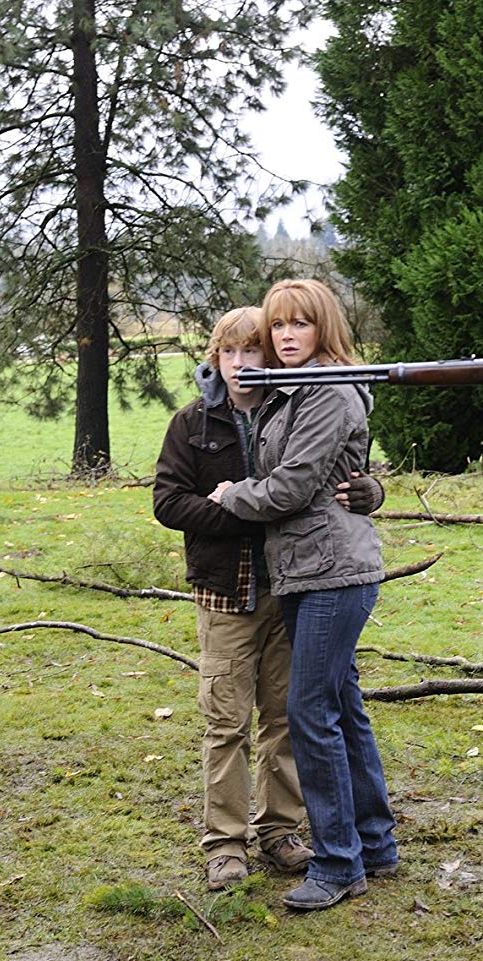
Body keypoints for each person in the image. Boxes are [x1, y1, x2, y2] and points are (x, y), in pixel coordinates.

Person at [154, 306, 385, 891]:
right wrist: (239, 510)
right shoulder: (194, 423)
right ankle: (225, 843)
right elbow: (168, 502)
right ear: (215, 359)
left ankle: (280, 831)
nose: (239, 364)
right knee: (225, 721)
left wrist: (369, 490)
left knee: (286, 718)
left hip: (295, 590)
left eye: (249, 351)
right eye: (227, 354)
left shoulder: (299, 404)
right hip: (226, 591)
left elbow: (343, 468)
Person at [210, 279, 398, 911]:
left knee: (311, 712)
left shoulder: (325, 391)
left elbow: (287, 488)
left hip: (332, 571)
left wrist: (229, 494)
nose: (287, 336)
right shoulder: (290, 391)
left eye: (300, 325)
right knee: (342, 705)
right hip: (307, 567)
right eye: (278, 326)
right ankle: (375, 843)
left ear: (324, 329)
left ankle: (341, 862)